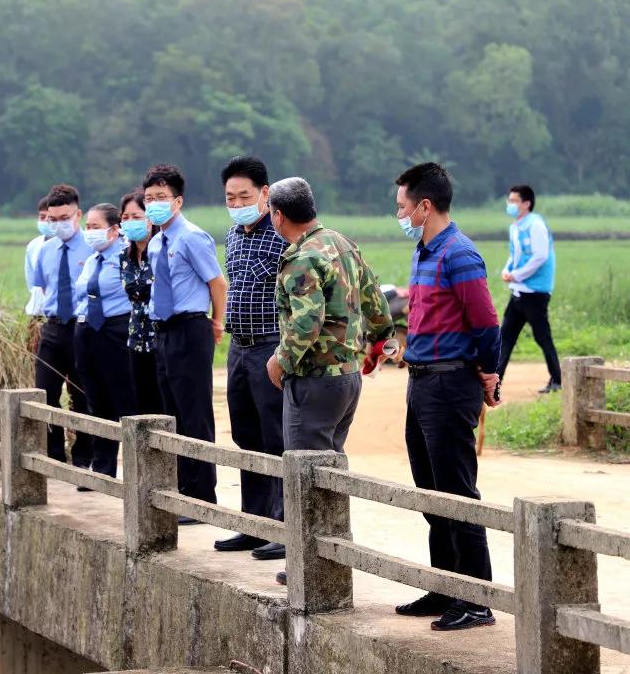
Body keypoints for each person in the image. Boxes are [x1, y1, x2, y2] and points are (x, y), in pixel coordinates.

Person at [392, 162, 501, 632]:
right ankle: (446, 586)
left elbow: (486, 323)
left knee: (458, 491)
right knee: (431, 491)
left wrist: (489, 373)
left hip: (449, 384)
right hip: (420, 383)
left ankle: (477, 598)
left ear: (425, 206)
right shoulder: (423, 251)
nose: (398, 214)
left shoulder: (459, 254)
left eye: (401, 206)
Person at [266, 177, 395, 450]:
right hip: (347, 376)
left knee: (306, 473)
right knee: (331, 470)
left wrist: (280, 361)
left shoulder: (302, 259)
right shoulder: (342, 243)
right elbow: (375, 300)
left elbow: (306, 323)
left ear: (278, 216)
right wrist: (382, 340)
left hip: (316, 379)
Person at [213, 157, 289, 559]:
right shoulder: (233, 235)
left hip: (269, 345)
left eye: (245, 195)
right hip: (238, 347)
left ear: (264, 193)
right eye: (230, 196)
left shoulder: (280, 237)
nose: (237, 202)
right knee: (247, 436)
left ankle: (280, 526)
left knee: (275, 435)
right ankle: (254, 523)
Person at [144, 164, 227, 513]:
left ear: (177, 201)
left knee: (194, 414)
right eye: (149, 198)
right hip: (163, 331)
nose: (154, 204)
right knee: (171, 413)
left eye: (161, 197)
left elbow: (216, 282)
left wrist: (218, 322)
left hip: (191, 328)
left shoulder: (192, 236)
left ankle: (202, 496)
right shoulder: (155, 242)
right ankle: (180, 490)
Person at [29, 185, 93, 468]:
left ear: (77, 214)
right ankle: (54, 456)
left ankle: (83, 456)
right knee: (45, 393)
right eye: (52, 220)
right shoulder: (45, 250)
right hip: (53, 327)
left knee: (82, 395)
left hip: (82, 328)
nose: (58, 224)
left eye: (64, 218)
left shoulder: (93, 246)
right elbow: (43, 287)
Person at [73, 204, 138, 478]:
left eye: (95, 226)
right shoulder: (91, 260)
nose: (90, 232)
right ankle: (102, 467)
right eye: (87, 226)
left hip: (116, 330)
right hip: (87, 330)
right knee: (96, 400)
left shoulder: (127, 256)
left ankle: (137, 469)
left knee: (124, 397)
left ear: (114, 229)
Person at [496, 184, 561, 394]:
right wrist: (507, 270)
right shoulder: (515, 227)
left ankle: (557, 379)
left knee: (542, 337)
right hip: (518, 291)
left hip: (535, 292)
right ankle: (494, 383)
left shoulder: (535, 225)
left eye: (514, 201)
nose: (510, 204)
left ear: (526, 203)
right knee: (505, 337)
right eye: (510, 200)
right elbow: (514, 255)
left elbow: (540, 256)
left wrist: (517, 275)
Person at [118, 188, 164, 415]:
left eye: (136, 216)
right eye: (125, 218)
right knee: (140, 404)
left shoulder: (161, 250)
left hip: (160, 338)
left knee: (163, 402)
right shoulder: (124, 258)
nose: (130, 222)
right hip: (135, 337)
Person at [24, 196, 53, 317]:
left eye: (50, 218)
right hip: (38, 312)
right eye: (42, 217)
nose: (45, 221)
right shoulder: (33, 245)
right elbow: (31, 282)